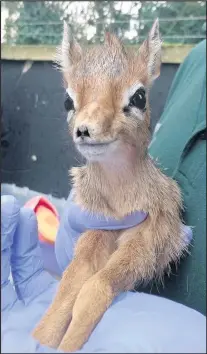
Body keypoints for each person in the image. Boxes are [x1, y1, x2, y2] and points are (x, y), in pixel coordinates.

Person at [2, 40, 206, 353]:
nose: (87, 126)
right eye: (72, 105)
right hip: (104, 198)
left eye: (135, 98)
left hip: (170, 322)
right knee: (84, 256)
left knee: (103, 279)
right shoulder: (197, 63)